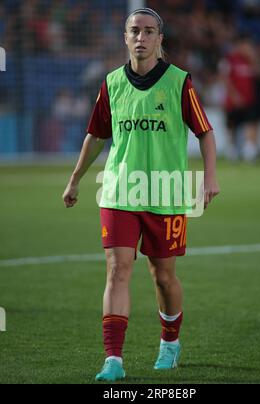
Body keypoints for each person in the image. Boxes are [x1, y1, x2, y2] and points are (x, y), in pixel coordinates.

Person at [62, 7, 220, 382]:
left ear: (160, 39)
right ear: (125, 37)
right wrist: (75, 179)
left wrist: (210, 177)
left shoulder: (179, 81)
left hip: (165, 194)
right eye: (135, 30)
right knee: (117, 269)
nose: (141, 37)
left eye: (149, 31)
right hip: (119, 191)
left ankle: (169, 343)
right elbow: (97, 135)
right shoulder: (112, 83)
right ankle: (113, 359)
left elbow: (205, 132)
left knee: (162, 277)